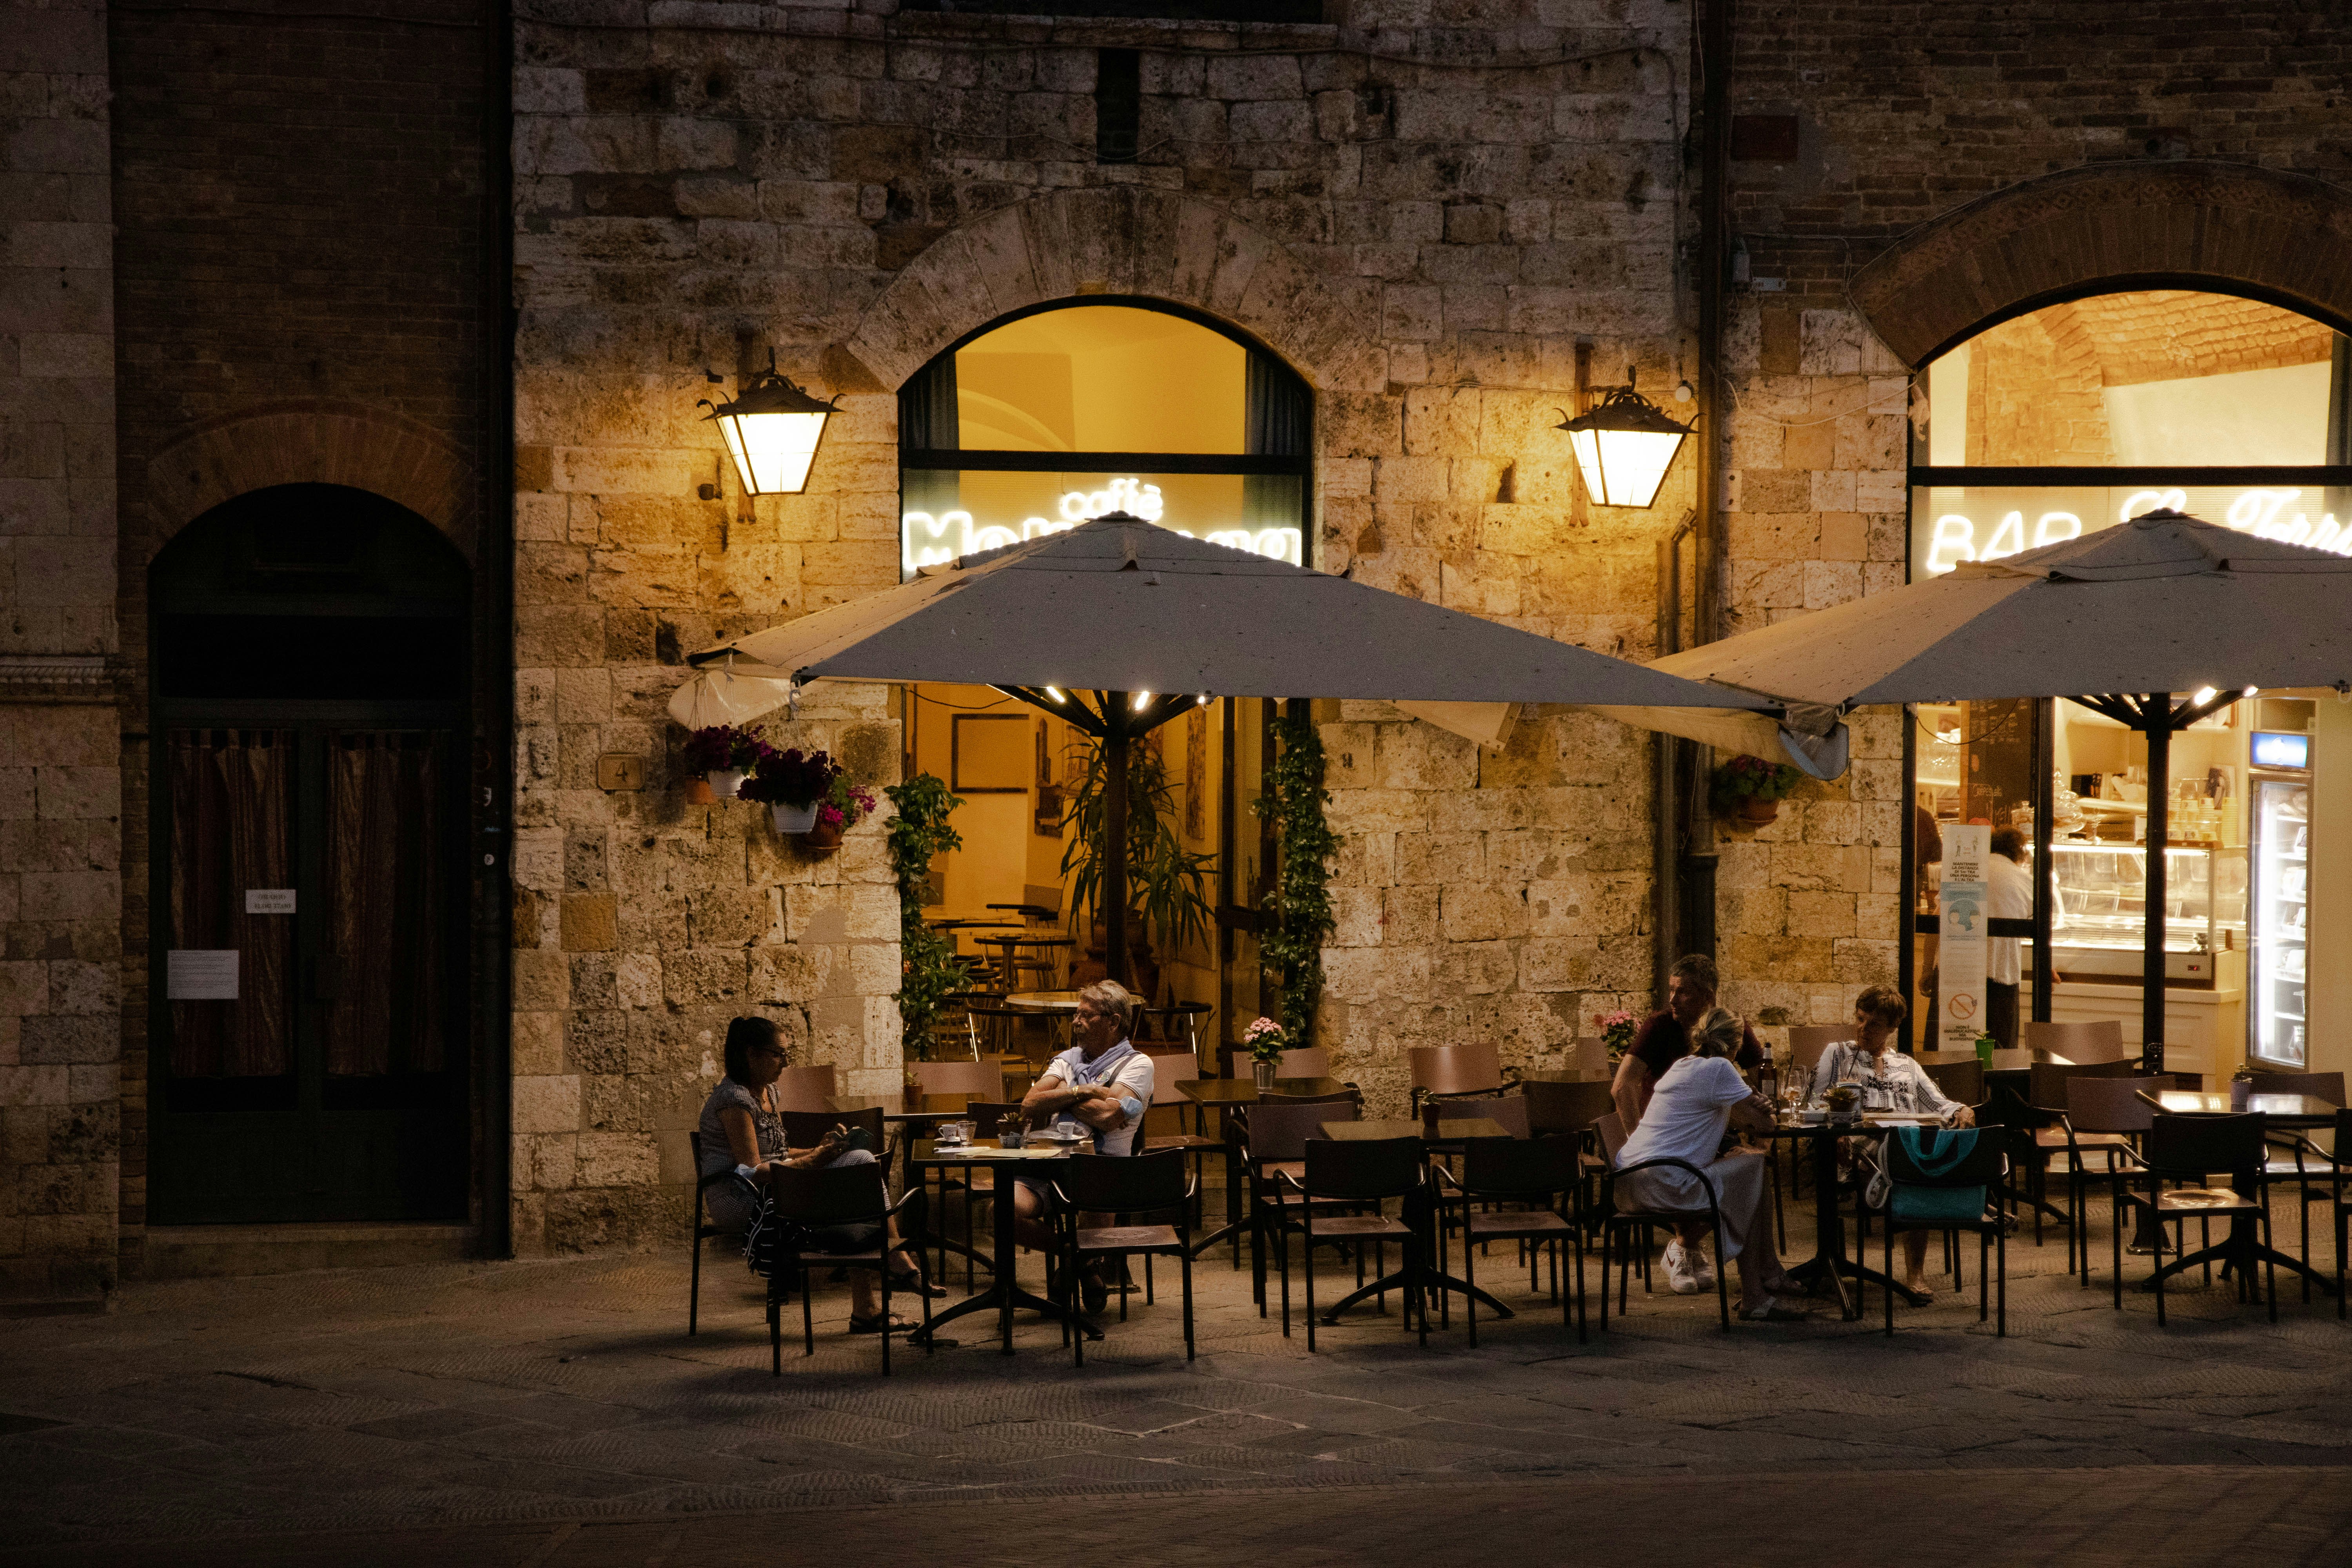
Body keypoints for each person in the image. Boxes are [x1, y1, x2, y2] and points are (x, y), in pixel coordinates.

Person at [695, 1015, 940, 1336]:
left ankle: (878, 1288)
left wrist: (820, 1149)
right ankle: (892, 1266)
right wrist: (815, 1160)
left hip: (779, 1184)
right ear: (751, 1054)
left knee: (859, 1161)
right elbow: (754, 1171)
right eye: (778, 1054)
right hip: (742, 1197)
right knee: (850, 1187)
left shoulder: (769, 1091)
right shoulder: (734, 1099)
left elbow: (779, 1154)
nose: (785, 1063)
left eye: (786, 1054)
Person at [1612, 1007, 1808, 1321]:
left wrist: (1749, 1110)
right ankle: (1756, 1293)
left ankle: (1766, 1277)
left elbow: (1744, 1119)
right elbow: (1765, 1126)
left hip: (1630, 1182)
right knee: (1754, 1167)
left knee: (1748, 1168)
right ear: (1737, 1043)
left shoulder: (1682, 1066)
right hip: (1665, 1184)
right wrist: (1764, 1106)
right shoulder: (1719, 1069)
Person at [1805, 984, 1974, 1299]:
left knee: (1920, 1148)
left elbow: (1939, 1103)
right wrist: (1836, 1129)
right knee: (1913, 1160)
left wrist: (1962, 1109)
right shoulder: (1839, 1053)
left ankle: (1915, 1272)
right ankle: (1948, 1193)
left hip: (1906, 1146)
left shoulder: (1907, 1065)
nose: (1863, 1028)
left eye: (1874, 1024)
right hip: (1863, 1146)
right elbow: (1815, 1103)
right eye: (1860, 1019)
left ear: (1893, 1029)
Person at [1010, 978, 1156, 1314]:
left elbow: (1108, 1117)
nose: (1075, 1022)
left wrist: (1061, 1097)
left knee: (1099, 1190)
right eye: (1076, 1014)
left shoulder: (1138, 1065)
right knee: (1002, 1210)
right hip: (1046, 1166)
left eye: (1085, 1015)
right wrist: (1086, 1091)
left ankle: (1077, 1264)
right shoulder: (1067, 1058)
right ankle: (1078, 1262)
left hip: (1102, 1169)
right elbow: (1029, 1104)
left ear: (1114, 1022)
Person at [1612, 952, 1765, 1134]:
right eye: (1671, 990)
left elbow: (1766, 1083)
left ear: (1709, 997)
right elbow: (1622, 1086)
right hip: (1666, 1134)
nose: (1672, 1000)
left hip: (1716, 1133)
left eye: (1682, 992)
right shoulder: (1660, 1026)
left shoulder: (1732, 1027)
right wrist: (1639, 1140)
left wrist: (1761, 1145)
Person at [1985, 825, 2033, 1048]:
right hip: (2001, 972)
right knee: (2000, 1047)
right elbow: (2044, 926)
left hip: (1954, 970)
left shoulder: (1964, 870)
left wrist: (1928, 970)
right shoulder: (2024, 880)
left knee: (1954, 1042)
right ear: (2019, 853)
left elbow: (1937, 922)